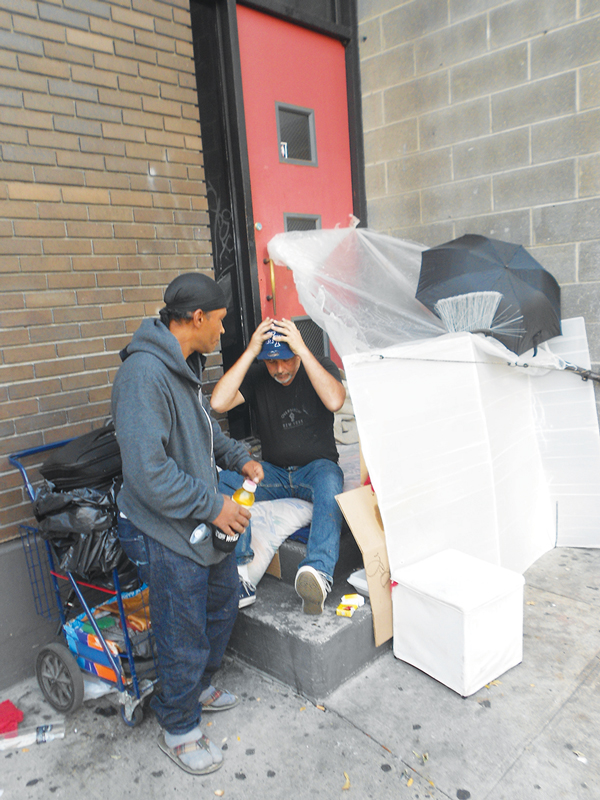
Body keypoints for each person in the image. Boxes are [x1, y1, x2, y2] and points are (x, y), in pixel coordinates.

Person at [111, 273, 263, 776]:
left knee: (220, 604)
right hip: (164, 527)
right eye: (220, 323)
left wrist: (239, 458)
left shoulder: (185, 365)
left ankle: (196, 685)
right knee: (181, 628)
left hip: (196, 517)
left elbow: (203, 429)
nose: (223, 332)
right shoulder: (143, 376)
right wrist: (214, 505)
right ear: (197, 319)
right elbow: (148, 474)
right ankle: (178, 726)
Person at [211, 317, 346, 615]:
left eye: (286, 359)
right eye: (272, 363)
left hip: (315, 470)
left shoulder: (319, 364)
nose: (280, 369)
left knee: (332, 483)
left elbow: (335, 400)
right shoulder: (259, 373)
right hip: (273, 473)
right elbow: (219, 403)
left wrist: (303, 350)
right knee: (225, 483)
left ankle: (318, 572)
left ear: (297, 352)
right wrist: (249, 352)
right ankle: (241, 575)